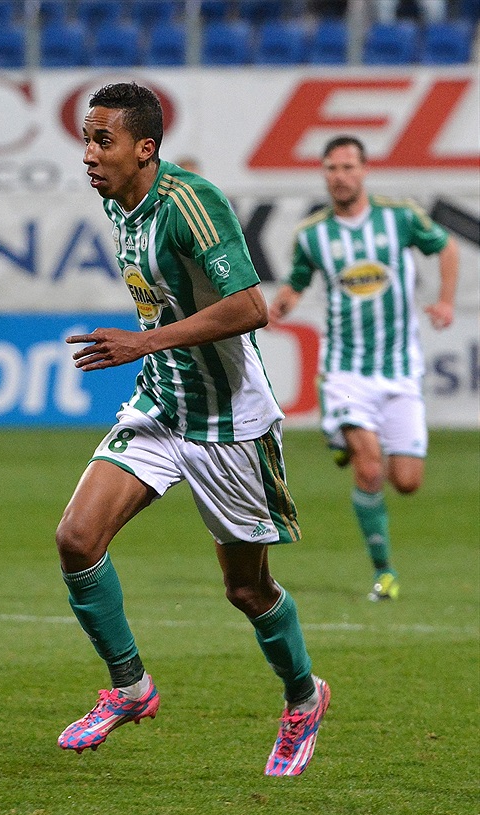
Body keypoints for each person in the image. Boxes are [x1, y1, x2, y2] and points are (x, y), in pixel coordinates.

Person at [55, 82, 330, 777]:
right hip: (162, 404)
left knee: (247, 591)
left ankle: (303, 698)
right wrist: (153, 352)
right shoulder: (120, 206)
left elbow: (250, 307)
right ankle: (130, 688)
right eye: (87, 140)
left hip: (228, 423)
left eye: (103, 141)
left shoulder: (191, 204)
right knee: (77, 539)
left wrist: (144, 342)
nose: (89, 155)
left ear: (145, 148)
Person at [269, 135, 458, 602]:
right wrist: (279, 307)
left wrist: (446, 301)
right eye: (332, 168)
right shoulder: (313, 234)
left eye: (348, 167)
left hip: (400, 371)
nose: (340, 176)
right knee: (370, 469)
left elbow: (447, 247)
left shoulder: (400, 218)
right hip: (346, 372)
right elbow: (296, 281)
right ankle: (384, 572)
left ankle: (340, 437)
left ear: (364, 170)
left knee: (406, 482)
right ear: (324, 174)